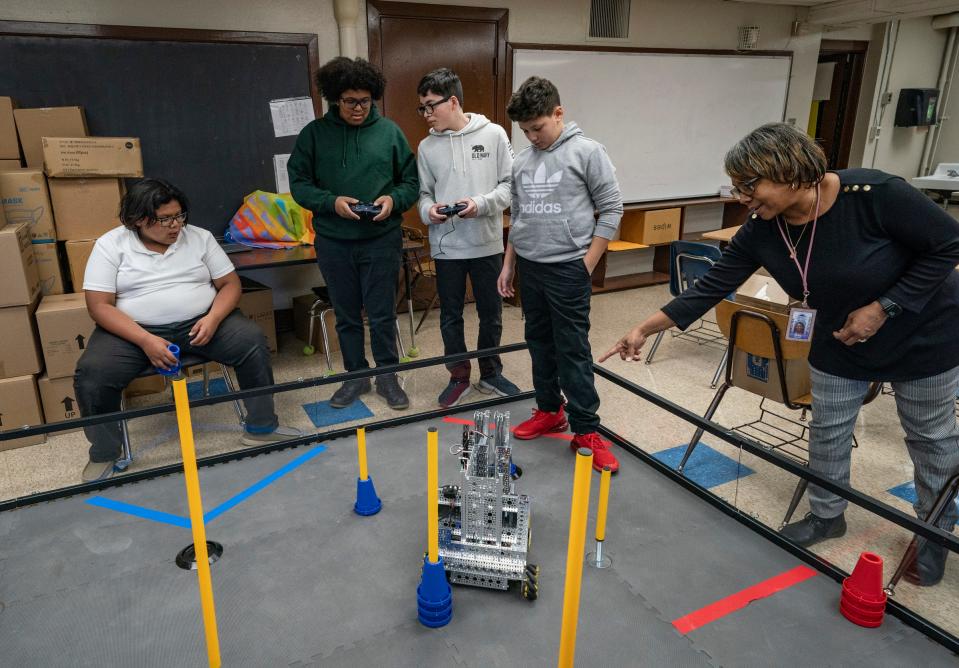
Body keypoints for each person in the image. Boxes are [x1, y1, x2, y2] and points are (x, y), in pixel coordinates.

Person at [601, 122, 959, 586]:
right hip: (839, 335)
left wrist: (883, 308)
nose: (744, 197)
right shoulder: (763, 229)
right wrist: (644, 328)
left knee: (930, 437)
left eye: (751, 185)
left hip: (924, 330)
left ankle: (933, 533)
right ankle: (828, 514)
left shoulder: (876, 194)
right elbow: (712, 285)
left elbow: (948, 244)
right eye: (737, 187)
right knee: (828, 429)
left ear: (790, 172)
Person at [74, 179, 301, 482]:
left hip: (201, 321)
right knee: (92, 374)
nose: (175, 225)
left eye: (179, 216)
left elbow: (230, 284)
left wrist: (214, 318)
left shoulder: (199, 238)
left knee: (251, 341)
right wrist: (145, 340)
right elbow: (99, 306)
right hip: (133, 332)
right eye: (165, 219)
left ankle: (261, 428)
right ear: (139, 219)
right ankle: (105, 453)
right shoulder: (110, 245)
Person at [497, 76, 623, 473]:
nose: (532, 136)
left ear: (558, 113)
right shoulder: (521, 160)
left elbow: (613, 210)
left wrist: (586, 264)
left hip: (569, 267)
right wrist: (509, 263)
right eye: (525, 131)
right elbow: (518, 217)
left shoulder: (587, 152)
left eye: (538, 127)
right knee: (539, 342)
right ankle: (550, 410)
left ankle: (586, 429)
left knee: (572, 349)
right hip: (531, 268)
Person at [288, 57, 419, 410]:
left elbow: (411, 182)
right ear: (335, 99)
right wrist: (331, 202)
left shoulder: (390, 132)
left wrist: (393, 201)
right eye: (350, 102)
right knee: (346, 314)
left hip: (381, 239)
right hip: (334, 241)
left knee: (381, 314)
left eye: (365, 101)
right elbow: (299, 184)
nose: (359, 108)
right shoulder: (314, 135)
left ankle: (388, 377)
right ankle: (355, 378)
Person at [415, 67, 520, 408]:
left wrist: (481, 204)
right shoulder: (427, 147)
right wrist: (428, 210)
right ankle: (458, 375)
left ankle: (490, 372)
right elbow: (423, 194)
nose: (426, 114)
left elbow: (509, 187)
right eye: (423, 108)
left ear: (454, 101)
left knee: (491, 312)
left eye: (431, 106)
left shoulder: (494, 135)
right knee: (451, 316)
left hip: (486, 242)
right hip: (447, 247)